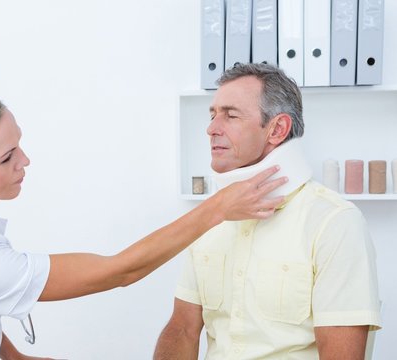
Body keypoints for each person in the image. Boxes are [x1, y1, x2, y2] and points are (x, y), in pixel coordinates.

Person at [0, 87, 287, 359]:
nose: (24, 161)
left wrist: (17, 357)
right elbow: (121, 270)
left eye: (18, 144)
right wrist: (216, 208)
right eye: (7, 158)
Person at [154, 63, 381, 360]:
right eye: (212, 115)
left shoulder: (334, 222)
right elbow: (182, 329)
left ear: (277, 129)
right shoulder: (211, 218)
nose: (211, 129)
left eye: (230, 115)